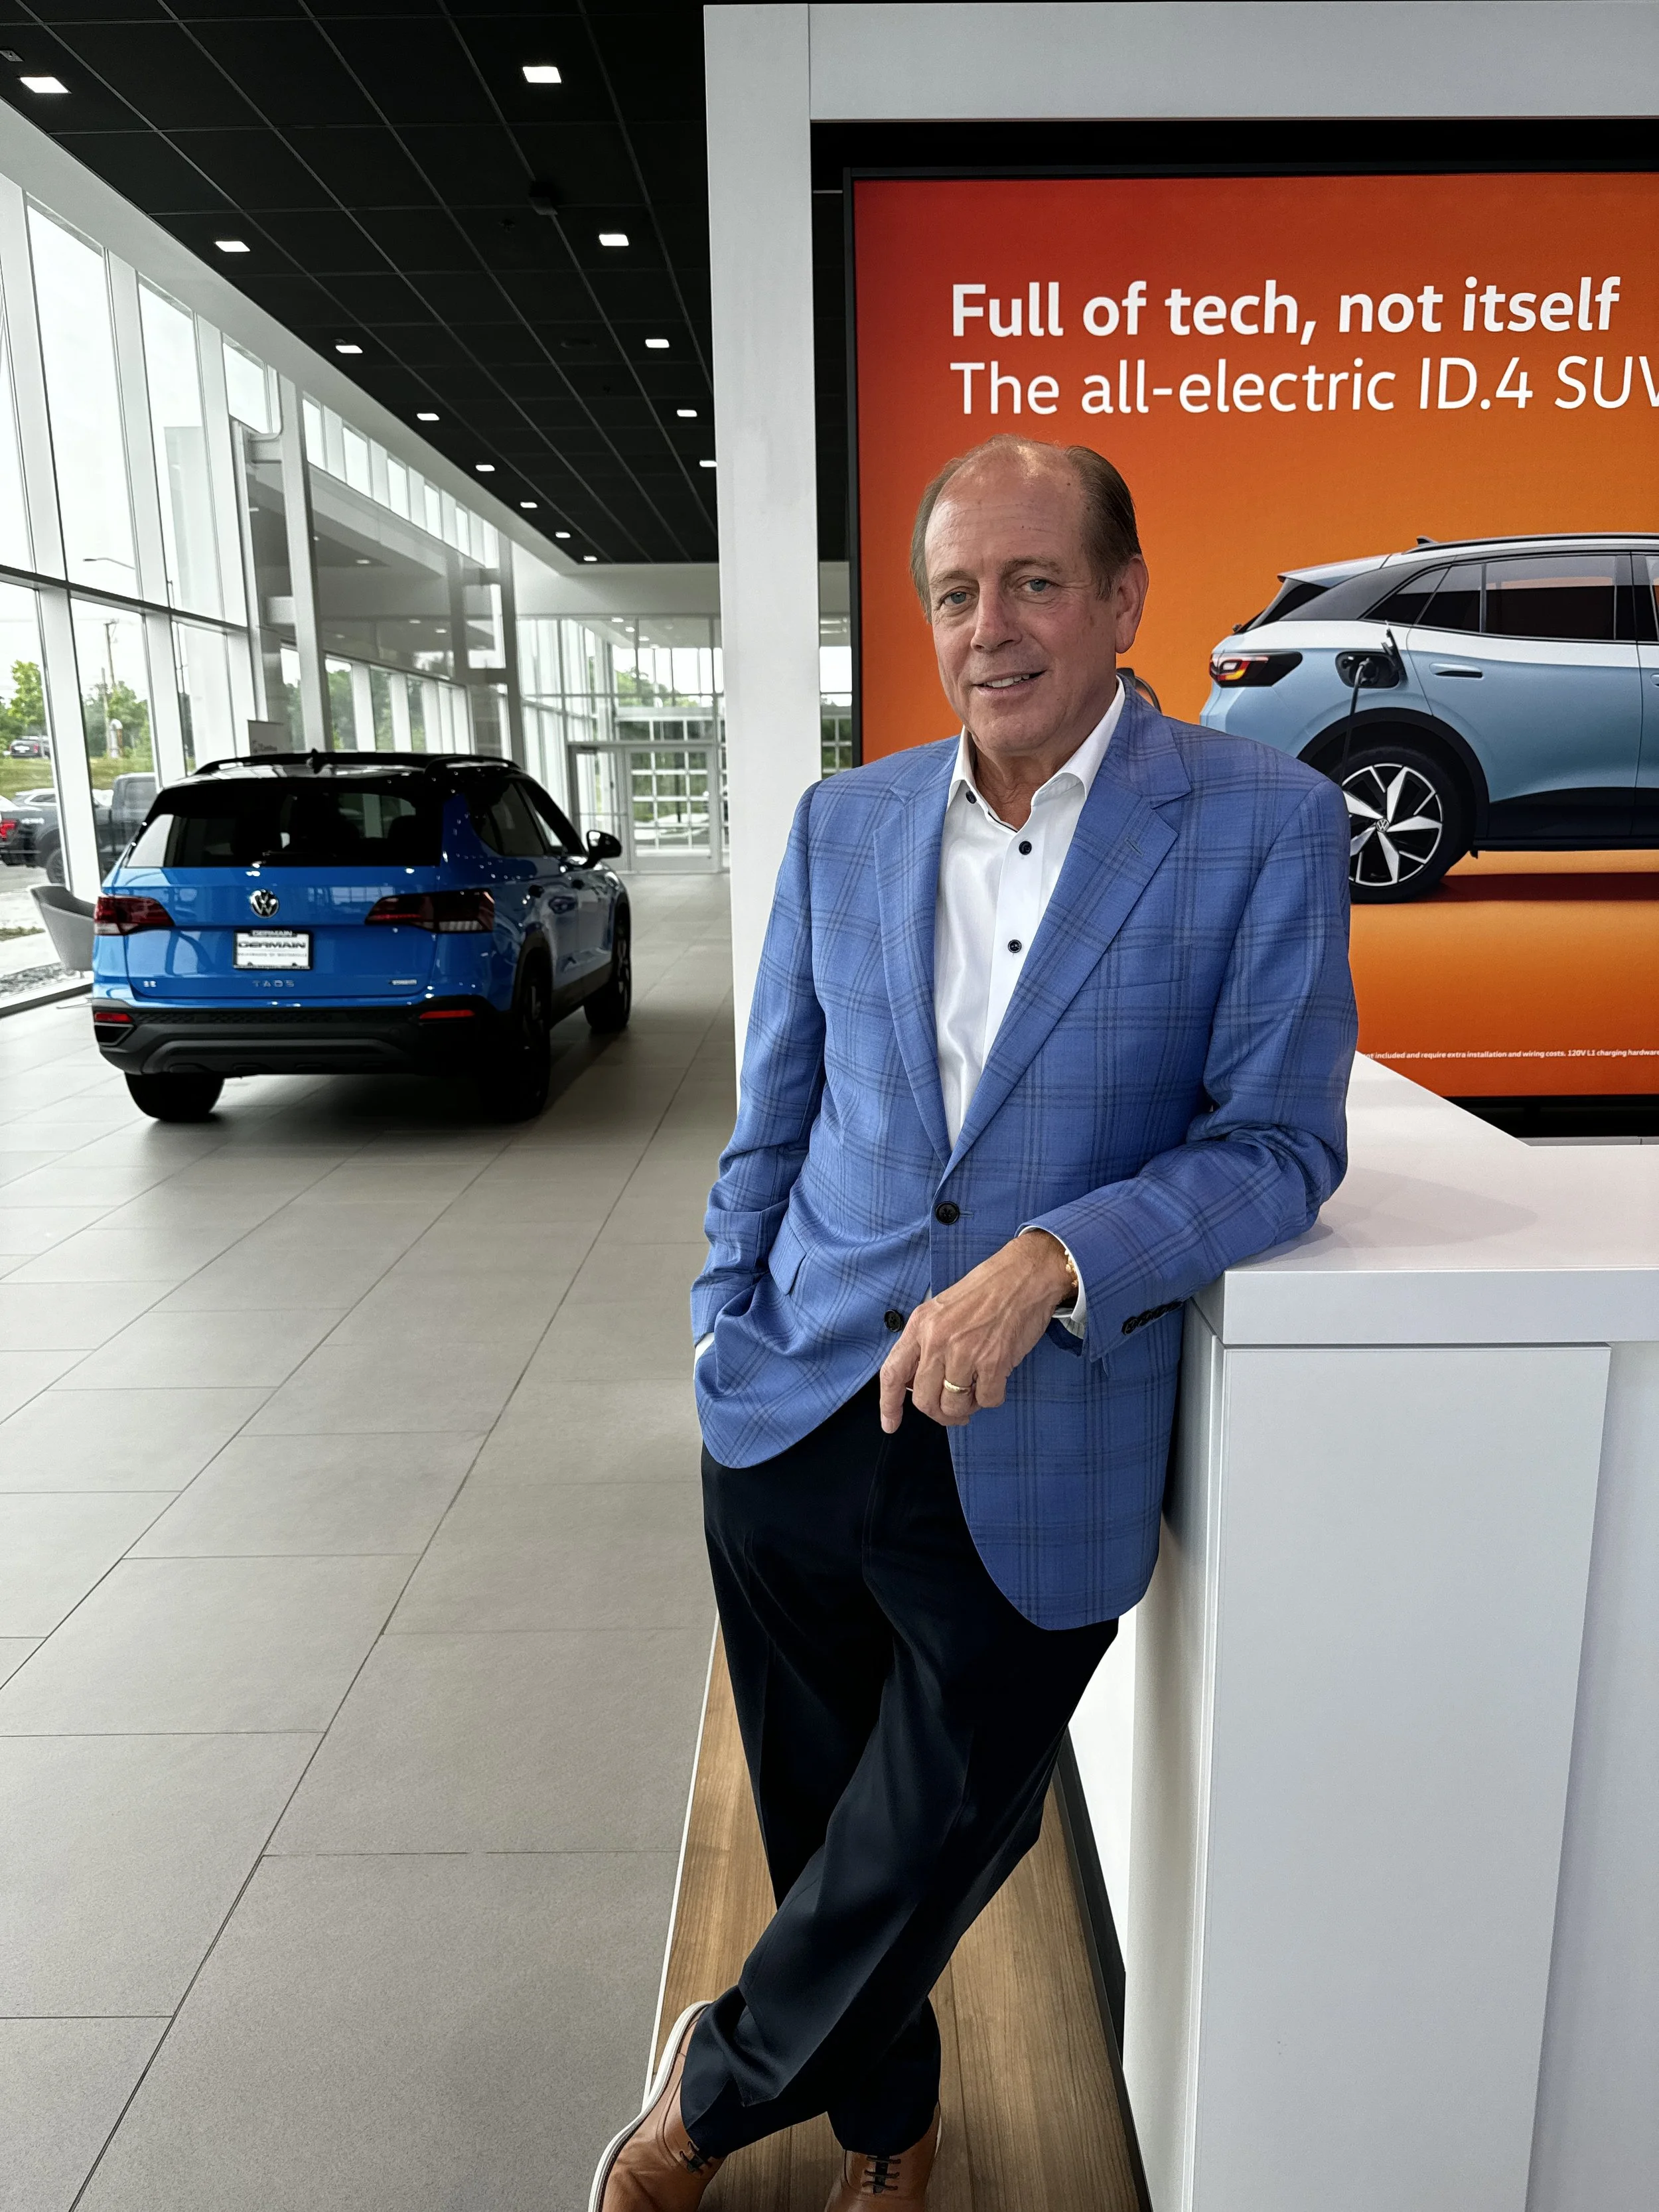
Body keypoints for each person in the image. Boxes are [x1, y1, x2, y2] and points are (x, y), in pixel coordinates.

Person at [589, 434, 1357, 2211]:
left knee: (931, 1826)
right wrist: (723, 1331)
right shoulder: (847, 823)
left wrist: (1051, 1261)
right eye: (953, 590)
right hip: (792, 1411)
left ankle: (697, 2103)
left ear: (1119, 597)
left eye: (1030, 581)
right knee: (820, 1818)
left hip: (1044, 1426)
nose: (988, 626)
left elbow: (1279, 1141)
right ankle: (886, 2120)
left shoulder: (1256, 822)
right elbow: (771, 1113)